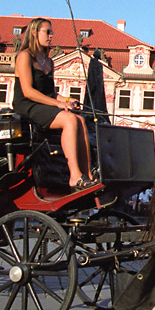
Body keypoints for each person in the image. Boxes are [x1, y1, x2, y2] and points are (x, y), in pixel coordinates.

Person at [12, 17, 95, 188]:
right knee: (69, 120)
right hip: (26, 104)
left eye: (52, 32)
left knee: (80, 120)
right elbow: (28, 91)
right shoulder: (24, 56)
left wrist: (65, 100)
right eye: (47, 32)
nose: (51, 36)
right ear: (34, 33)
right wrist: (57, 104)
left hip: (42, 103)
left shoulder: (49, 61)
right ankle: (74, 175)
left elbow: (49, 92)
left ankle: (87, 173)